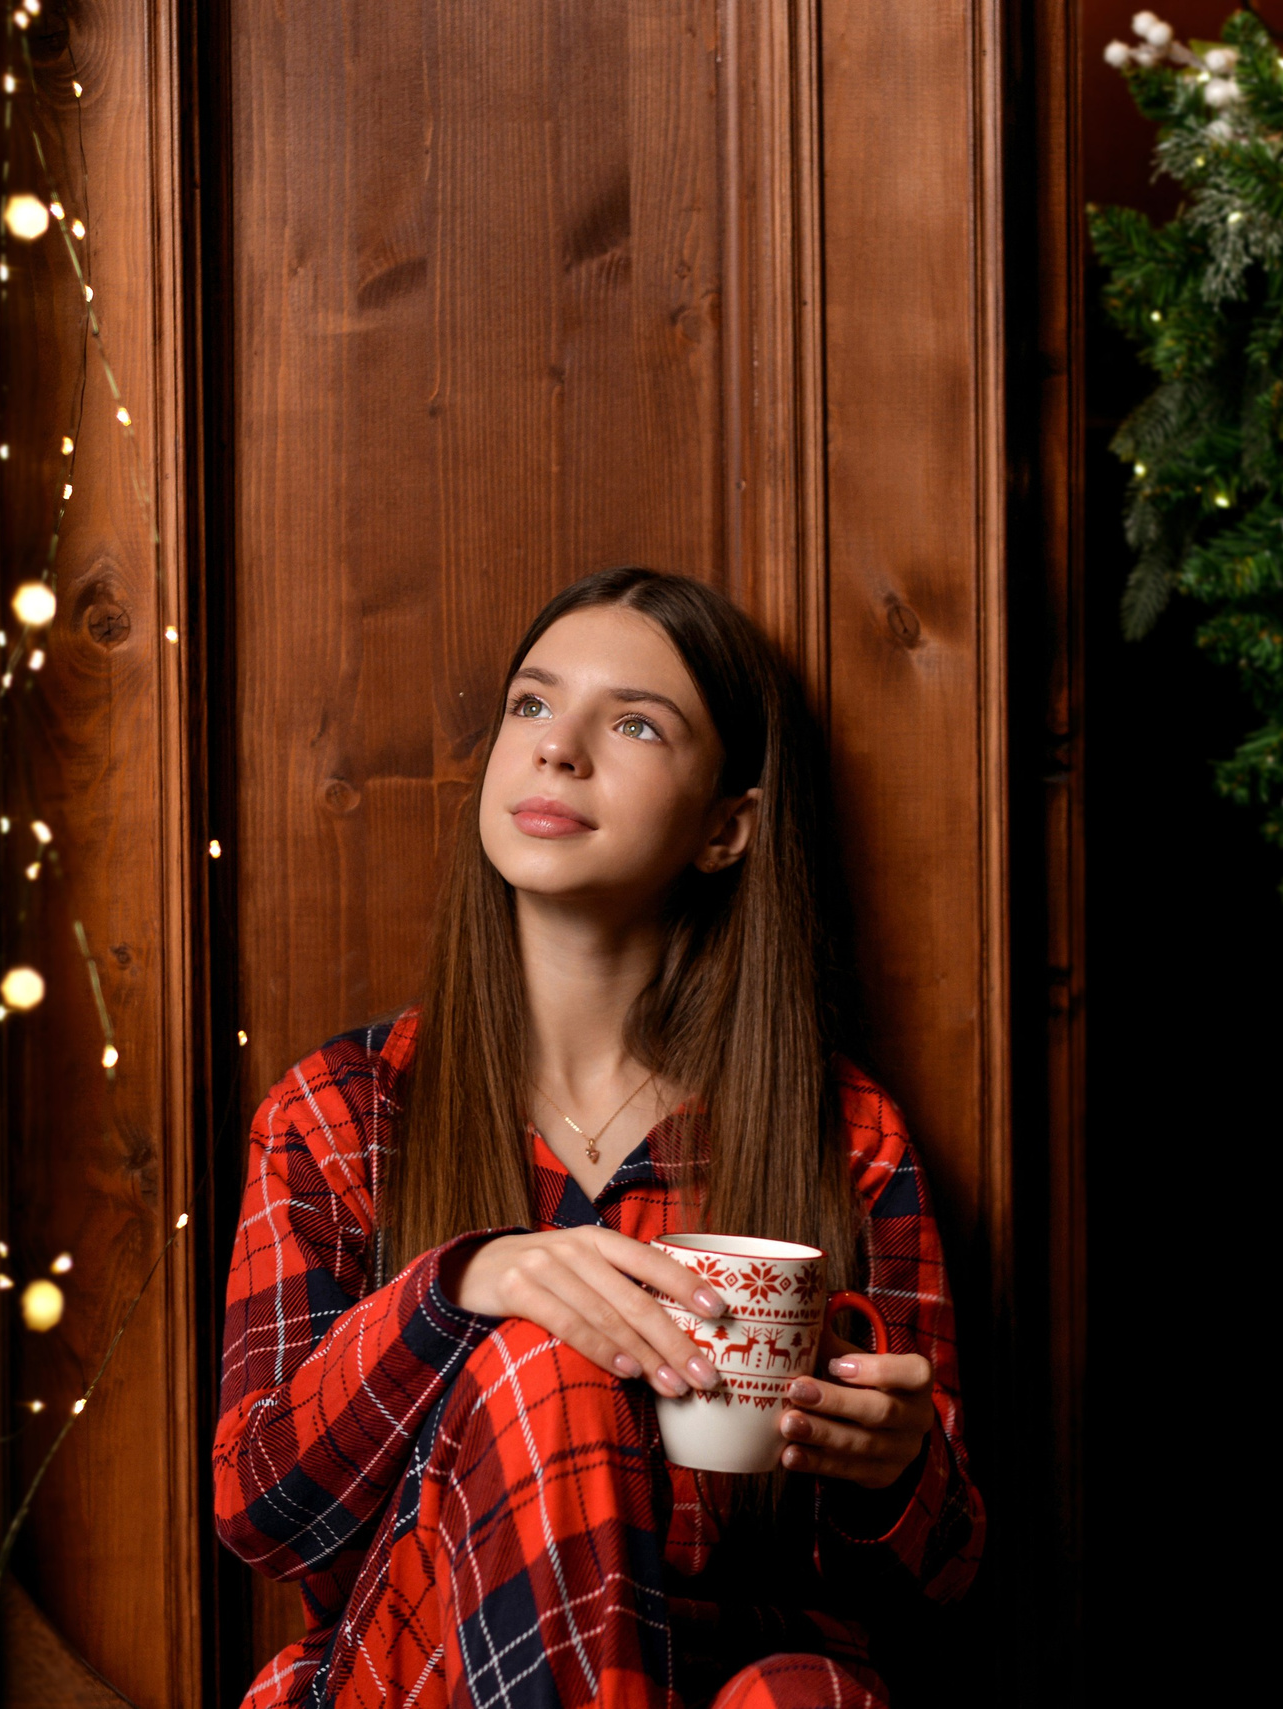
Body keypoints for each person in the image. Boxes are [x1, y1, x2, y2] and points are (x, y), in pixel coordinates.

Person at [212, 568, 982, 1708]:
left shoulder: (843, 1132)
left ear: (727, 827)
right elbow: (262, 1513)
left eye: (633, 724)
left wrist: (896, 1468)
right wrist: (458, 1289)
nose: (556, 748)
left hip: (726, 1670)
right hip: (422, 1672)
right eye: (531, 703)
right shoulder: (343, 1110)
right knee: (544, 1363)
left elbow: (942, 1578)